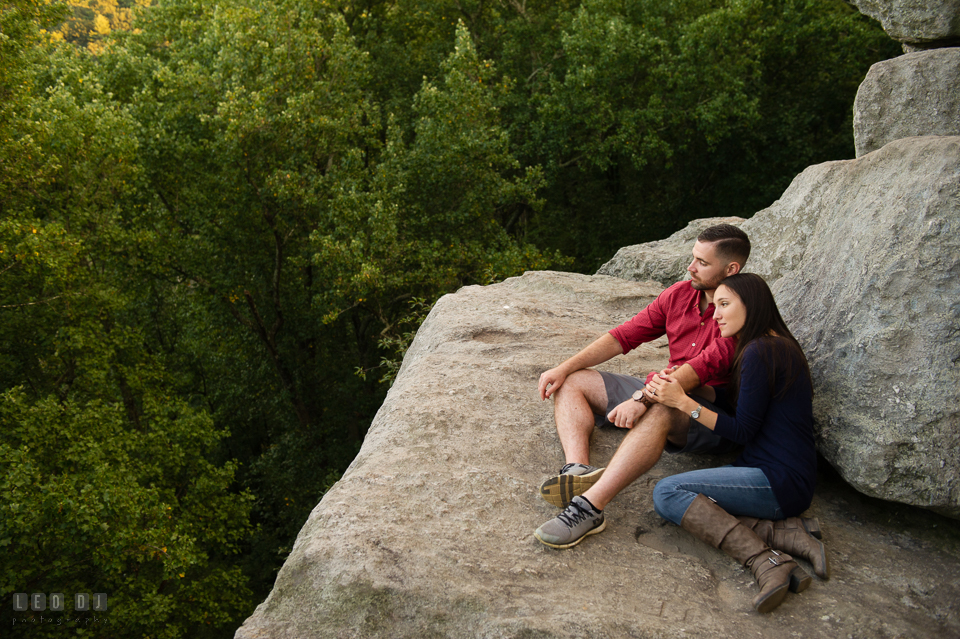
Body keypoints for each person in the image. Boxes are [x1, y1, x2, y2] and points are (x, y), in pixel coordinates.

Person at [534, 224, 749, 550]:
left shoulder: (736, 315)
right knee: (574, 381)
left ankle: (590, 508)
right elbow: (624, 336)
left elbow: (693, 373)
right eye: (693, 258)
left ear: (731, 269)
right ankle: (577, 471)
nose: (691, 267)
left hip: (708, 413)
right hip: (663, 387)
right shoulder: (680, 294)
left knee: (663, 408)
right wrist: (563, 368)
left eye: (702, 263)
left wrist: (641, 399)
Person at [645, 272, 827, 613]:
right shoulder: (772, 346)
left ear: (752, 304)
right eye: (715, 306)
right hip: (775, 473)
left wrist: (684, 403)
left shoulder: (761, 350)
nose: (715, 315)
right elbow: (743, 404)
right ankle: (786, 534)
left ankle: (765, 560)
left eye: (725, 305)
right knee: (695, 505)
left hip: (779, 479)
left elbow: (741, 430)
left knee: (667, 494)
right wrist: (695, 387)